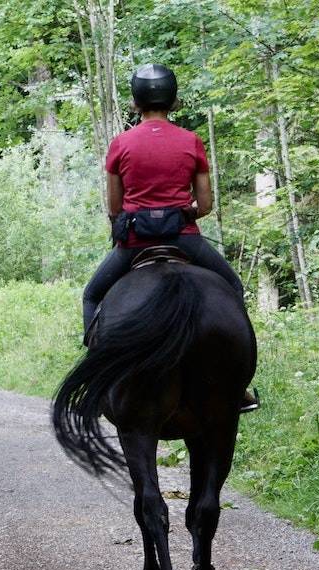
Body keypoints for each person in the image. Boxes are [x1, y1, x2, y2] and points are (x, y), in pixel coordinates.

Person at [83, 63, 259, 413]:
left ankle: (97, 378)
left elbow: (115, 207)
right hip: (183, 238)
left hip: (134, 242)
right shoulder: (191, 141)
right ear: (173, 100)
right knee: (233, 288)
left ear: (136, 102)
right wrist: (181, 213)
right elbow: (206, 204)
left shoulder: (121, 144)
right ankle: (238, 386)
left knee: (92, 295)